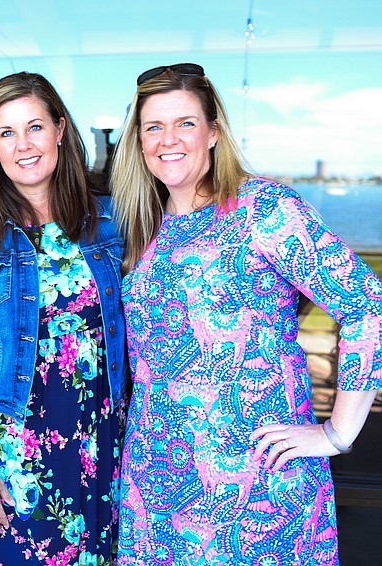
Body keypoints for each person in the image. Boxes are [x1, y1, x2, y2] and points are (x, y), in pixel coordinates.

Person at [110, 63, 382, 564]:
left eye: (186, 123)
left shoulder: (263, 208)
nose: (169, 139)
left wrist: (338, 433)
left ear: (213, 133)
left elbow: (367, 305)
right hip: (156, 492)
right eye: (154, 126)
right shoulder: (141, 226)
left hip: (259, 490)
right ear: (139, 141)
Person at [0, 71, 129, 565]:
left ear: (61, 130)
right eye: (6, 133)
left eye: (35, 127)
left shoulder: (113, 223)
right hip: (7, 455)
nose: (23, 145)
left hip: (98, 442)